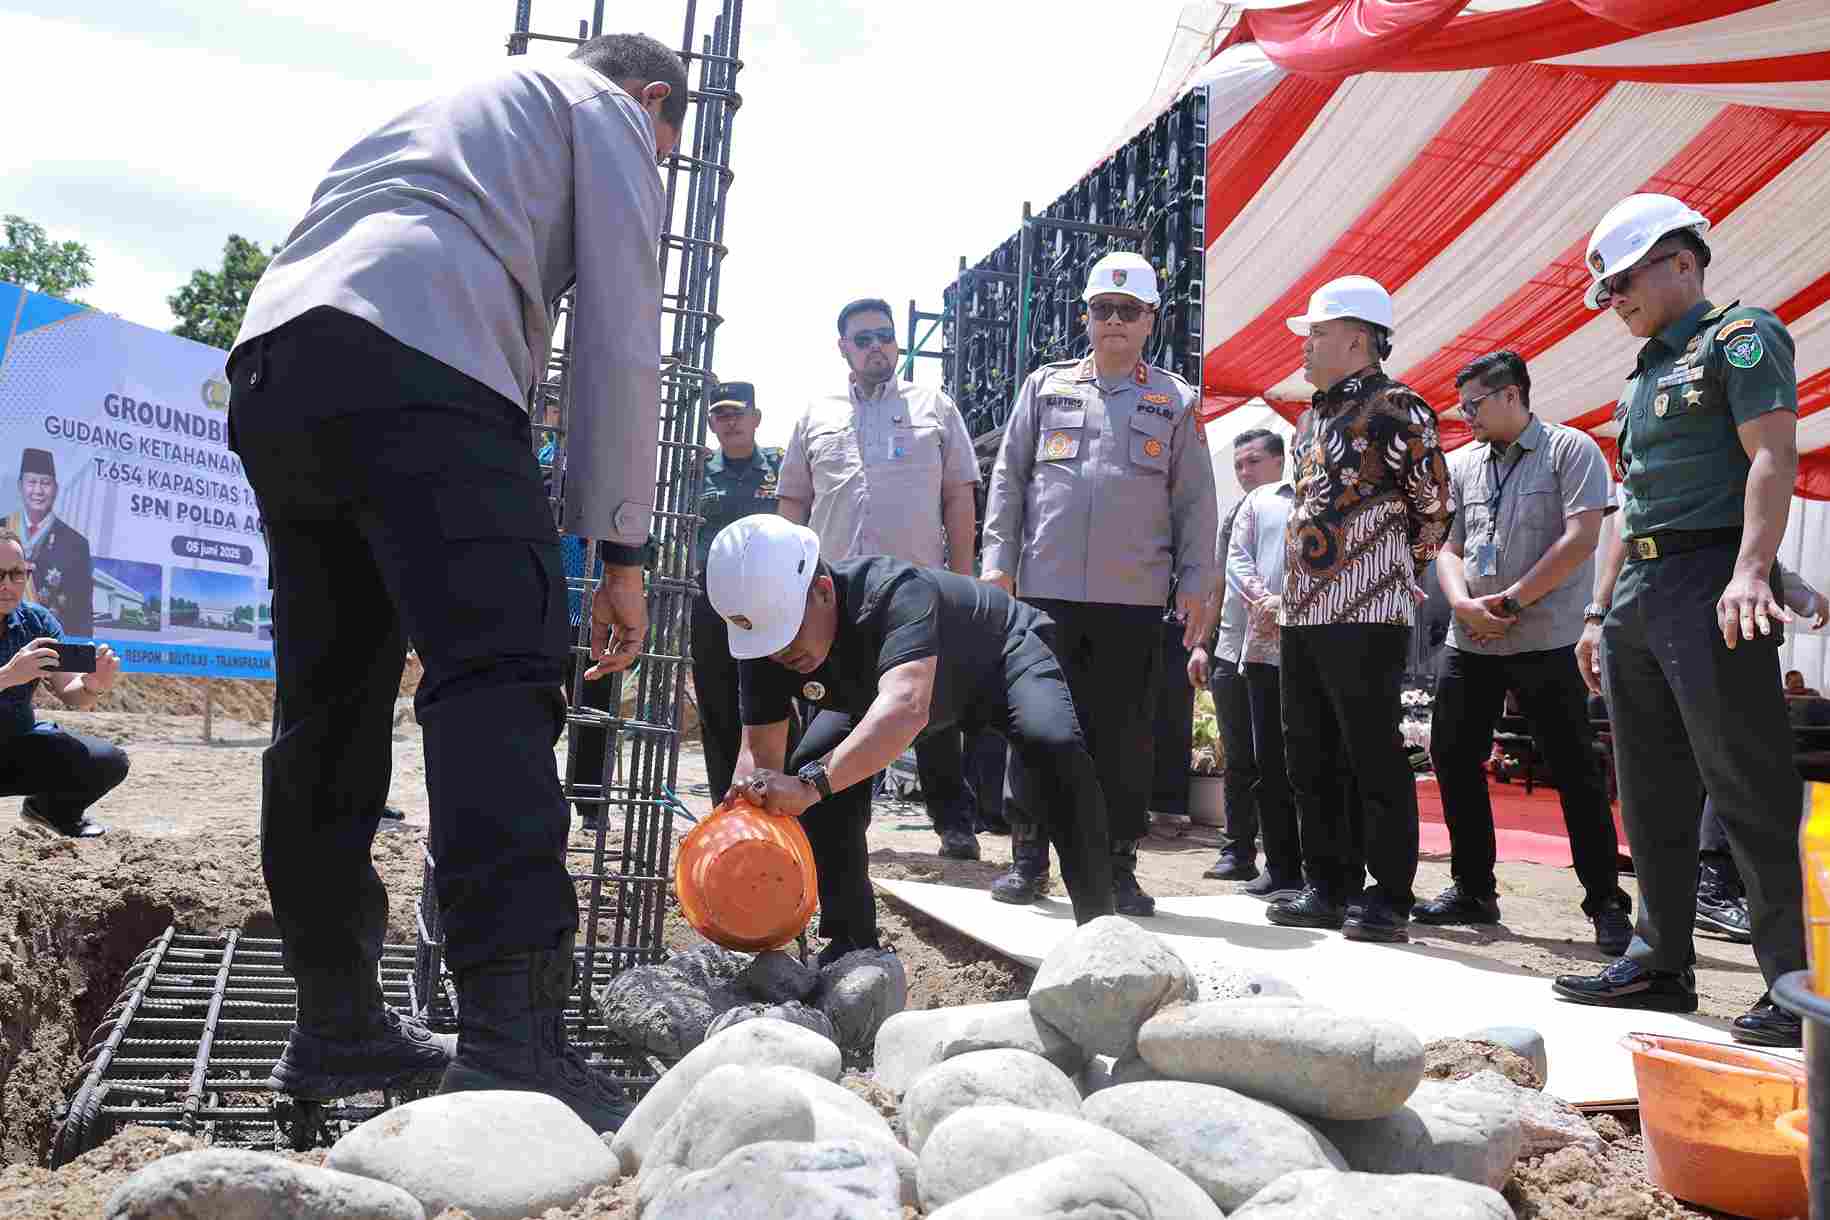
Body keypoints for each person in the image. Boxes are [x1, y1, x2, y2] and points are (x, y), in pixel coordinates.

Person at [226, 33, 686, 1128]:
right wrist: (620, 547)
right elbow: (624, 340)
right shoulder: (608, 113)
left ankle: (335, 1019)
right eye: (673, 145)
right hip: (424, 368)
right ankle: (514, 1041)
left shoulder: (453, 111)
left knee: (328, 709)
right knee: (499, 677)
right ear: (657, 101)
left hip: (279, 360)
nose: (662, 164)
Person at [1553, 193, 1805, 1048]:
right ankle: (1661, 962)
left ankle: (1791, 984)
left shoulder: (1741, 336)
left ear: (1681, 263)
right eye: (1605, 288)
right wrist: (1595, 614)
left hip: (1712, 581)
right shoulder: (1645, 373)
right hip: (1639, 592)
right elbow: (1632, 505)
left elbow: (1772, 457)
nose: (1612, 298)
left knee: (1746, 786)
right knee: (1649, 787)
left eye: (1623, 280)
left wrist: (1753, 571)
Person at [711, 516, 1115, 962]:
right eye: (767, 641)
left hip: (1002, 656)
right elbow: (759, 758)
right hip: (891, 694)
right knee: (814, 770)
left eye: (787, 631)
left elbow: (906, 707)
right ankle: (852, 942)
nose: (778, 653)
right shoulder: (765, 642)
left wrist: (808, 786)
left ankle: (1101, 934)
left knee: (1051, 744)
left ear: (823, 589)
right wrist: (747, 817)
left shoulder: (893, 591)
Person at [981, 251, 1218, 917]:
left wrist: (1198, 581)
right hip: (1045, 591)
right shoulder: (1045, 387)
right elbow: (1009, 480)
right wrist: (997, 560)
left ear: (1151, 321)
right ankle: (1028, 854)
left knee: (1123, 736)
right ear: (1086, 316)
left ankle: (1118, 864)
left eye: (1128, 310)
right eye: (1102, 309)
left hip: (1133, 601)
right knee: (1035, 725)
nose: (1114, 321)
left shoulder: (1173, 401)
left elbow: (1196, 502)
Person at [1419, 351, 1632, 954]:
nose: (1468, 416)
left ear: (1512, 395)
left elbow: (1581, 537)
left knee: (1573, 769)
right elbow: (1448, 544)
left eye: (1475, 405)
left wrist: (1510, 602)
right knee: (1453, 757)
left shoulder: (1572, 450)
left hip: (1546, 638)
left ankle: (1606, 903)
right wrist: (1462, 604)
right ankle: (1472, 888)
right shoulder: (1461, 464)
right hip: (1471, 638)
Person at [1269, 275, 1454, 943]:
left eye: (1315, 335)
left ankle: (1389, 895)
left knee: (1371, 753)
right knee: (1308, 751)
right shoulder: (1310, 417)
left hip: (1368, 611)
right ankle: (1328, 883)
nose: (1306, 347)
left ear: (1356, 337)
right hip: (1303, 612)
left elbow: (1435, 504)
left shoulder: (1399, 407)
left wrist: (1396, 566)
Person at [777, 299, 984, 860]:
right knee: (833, 704)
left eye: (886, 337)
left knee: (931, 708)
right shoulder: (814, 414)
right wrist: (782, 584)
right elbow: (793, 500)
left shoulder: (933, 406)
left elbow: (959, 494)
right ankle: (837, 823)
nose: (877, 347)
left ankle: (954, 822)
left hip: (916, 590)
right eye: (864, 338)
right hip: (832, 598)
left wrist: (963, 576)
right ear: (843, 347)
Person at [1194, 429, 1303, 897]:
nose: (1244, 472)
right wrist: (1201, 642)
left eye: (1253, 462)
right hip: (1230, 646)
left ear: (1280, 462)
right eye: (1238, 464)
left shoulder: (1298, 505)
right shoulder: (1235, 513)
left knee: (1278, 757)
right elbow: (1218, 581)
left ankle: (1287, 855)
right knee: (1237, 756)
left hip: (1279, 647)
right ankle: (1237, 849)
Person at [1696, 563, 1827, 942]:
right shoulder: (1731, 512)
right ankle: (1713, 885)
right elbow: (1753, 559)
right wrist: (1810, 600)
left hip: (1693, 635)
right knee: (1738, 764)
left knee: (1721, 767)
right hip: (1723, 639)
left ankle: (1708, 884)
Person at [691, 381, 786, 798]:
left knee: (775, 700)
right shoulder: (696, 472)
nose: (730, 422)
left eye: (738, 413)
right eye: (721, 415)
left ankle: (772, 793)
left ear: (756, 418)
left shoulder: (780, 467)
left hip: (771, 600)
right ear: (711, 423)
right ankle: (722, 801)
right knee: (718, 701)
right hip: (712, 601)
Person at [0, 531, 127, 837]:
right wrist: (7, 676)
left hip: (13, 747)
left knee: (107, 761)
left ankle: (52, 811)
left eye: (16, 574)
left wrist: (92, 684)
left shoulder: (37, 623)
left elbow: (72, 694)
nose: (6, 584)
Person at [4, 449, 93, 637]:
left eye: (45, 483)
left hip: (52, 647)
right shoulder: (3, 526)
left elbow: (81, 613)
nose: (38, 490)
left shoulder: (76, 544)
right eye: (32, 482)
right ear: (20, 486)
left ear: (56, 489)